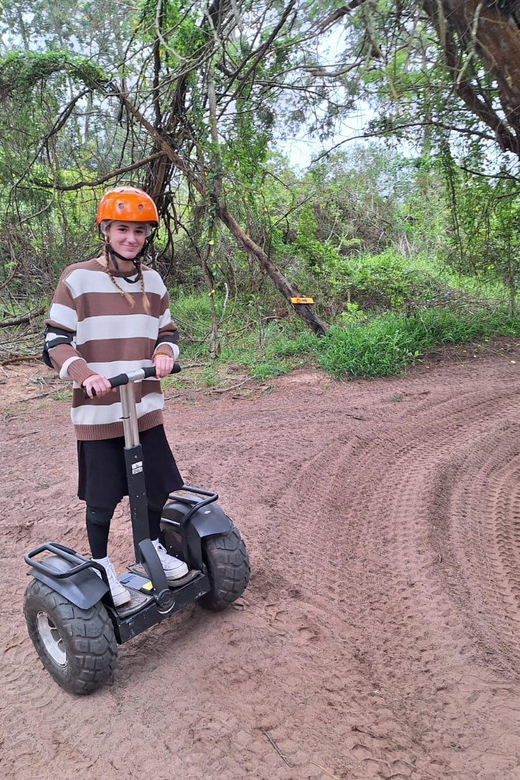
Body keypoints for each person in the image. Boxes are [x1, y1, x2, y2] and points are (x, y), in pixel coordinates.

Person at [43, 186, 188, 606]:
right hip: (100, 408)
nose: (131, 238)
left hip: (143, 405)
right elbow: (55, 341)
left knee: (158, 487)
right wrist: (85, 374)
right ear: (106, 230)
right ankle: (102, 562)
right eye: (123, 229)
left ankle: (153, 547)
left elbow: (168, 331)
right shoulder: (78, 278)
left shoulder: (153, 281)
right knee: (102, 496)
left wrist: (164, 352)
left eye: (140, 231)